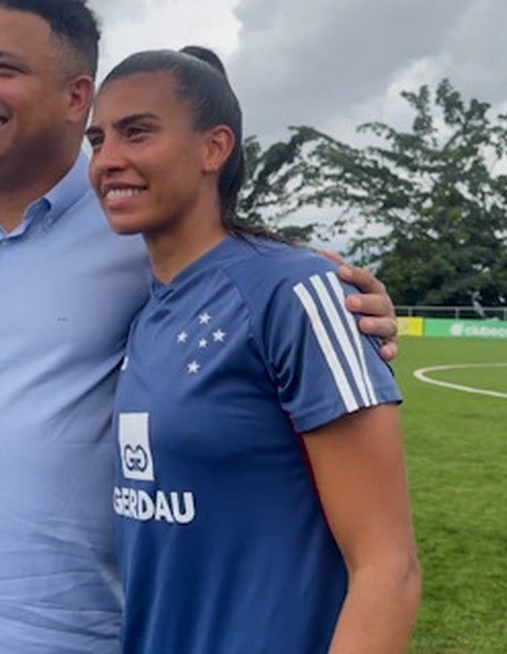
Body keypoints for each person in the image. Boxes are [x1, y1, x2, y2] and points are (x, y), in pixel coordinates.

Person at [0, 0, 401, 654]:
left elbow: (252, 273)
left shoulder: (142, 227)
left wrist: (341, 297)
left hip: (77, 635)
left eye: (4, 67)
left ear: (75, 95)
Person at [87, 45, 421, 653]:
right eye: (98, 140)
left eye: (137, 133)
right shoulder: (142, 310)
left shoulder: (298, 291)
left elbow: (388, 569)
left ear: (214, 148)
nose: (109, 159)